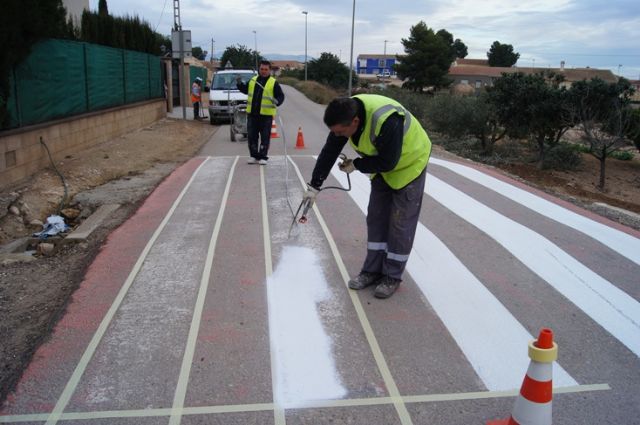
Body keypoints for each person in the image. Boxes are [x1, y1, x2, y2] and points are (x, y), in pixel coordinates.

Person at [304, 94, 432, 299]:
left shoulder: (387, 120)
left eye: (341, 132)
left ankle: (392, 276)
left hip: (409, 164)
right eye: (334, 132)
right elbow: (329, 152)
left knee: (400, 223)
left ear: (355, 121)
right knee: (376, 217)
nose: (338, 136)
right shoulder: (345, 115)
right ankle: (371, 271)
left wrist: (356, 165)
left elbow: (388, 162)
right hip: (381, 166)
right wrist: (314, 186)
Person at [236, 60, 285, 165]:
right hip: (252, 115)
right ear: (259, 69)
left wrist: (277, 101)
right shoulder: (253, 80)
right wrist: (239, 84)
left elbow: (281, 96)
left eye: (266, 69)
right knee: (252, 136)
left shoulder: (273, 82)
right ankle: (253, 155)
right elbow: (245, 90)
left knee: (265, 137)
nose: (263, 71)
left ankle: (263, 156)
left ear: (269, 70)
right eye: (261, 69)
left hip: (265, 116)